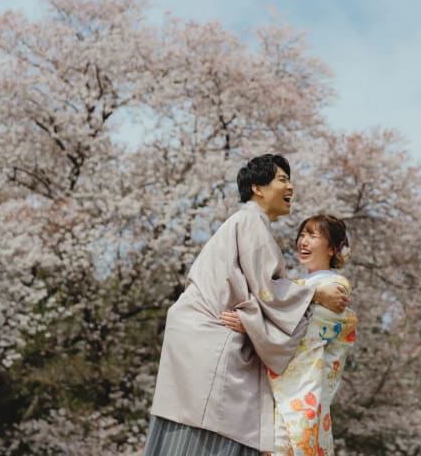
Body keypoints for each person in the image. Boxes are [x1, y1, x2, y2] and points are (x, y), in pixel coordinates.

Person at [144, 154, 349, 455]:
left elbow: (260, 291)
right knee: (219, 432)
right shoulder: (250, 221)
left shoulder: (244, 222)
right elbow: (268, 290)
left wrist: (253, 322)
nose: (290, 186)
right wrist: (316, 296)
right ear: (258, 187)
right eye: (282, 179)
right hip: (213, 337)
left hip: (196, 335)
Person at [220, 214, 358, 456]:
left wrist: (254, 323)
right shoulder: (294, 285)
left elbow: (307, 328)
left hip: (305, 388)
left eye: (313, 236)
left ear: (333, 249)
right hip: (280, 386)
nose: (303, 241)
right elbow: (282, 311)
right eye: (302, 234)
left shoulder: (336, 285)